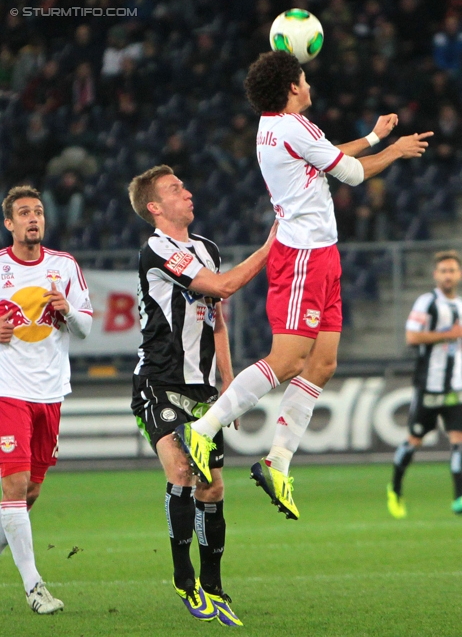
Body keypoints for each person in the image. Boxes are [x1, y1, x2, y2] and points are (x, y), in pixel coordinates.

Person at [173, 50, 433, 521]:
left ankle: (277, 462)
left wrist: (375, 136)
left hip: (323, 255)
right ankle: (204, 428)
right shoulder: (294, 127)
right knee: (288, 360)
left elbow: (328, 156)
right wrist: (393, 151)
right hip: (302, 259)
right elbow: (350, 174)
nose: (310, 85)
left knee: (323, 362)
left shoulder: (280, 128)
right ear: (293, 87)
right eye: (305, 78)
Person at [128, 164, 276, 625]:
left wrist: (228, 383)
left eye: (185, 185)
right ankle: (184, 579)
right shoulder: (156, 250)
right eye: (176, 189)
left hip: (205, 391)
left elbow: (217, 315)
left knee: (212, 487)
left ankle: (214, 586)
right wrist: (273, 245)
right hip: (160, 384)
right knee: (183, 474)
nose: (188, 192)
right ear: (155, 207)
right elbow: (223, 286)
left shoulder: (206, 248)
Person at [0, 185, 93, 614]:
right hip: (8, 392)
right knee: (14, 485)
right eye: (24, 212)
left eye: (38, 211)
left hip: (50, 392)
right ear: (9, 224)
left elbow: (86, 328)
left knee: (30, 492)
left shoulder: (65, 267)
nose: (33, 218)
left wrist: (68, 312)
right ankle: (35, 587)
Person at [387, 251, 462, 518]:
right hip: (428, 384)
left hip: (455, 386)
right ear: (435, 275)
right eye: (443, 271)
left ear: (459, 274)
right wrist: (446, 335)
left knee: (458, 439)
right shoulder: (427, 302)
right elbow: (411, 337)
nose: (448, 275)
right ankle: (395, 487)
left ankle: (458, 498)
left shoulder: (461, 305)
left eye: (452, 270)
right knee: (414, 440)